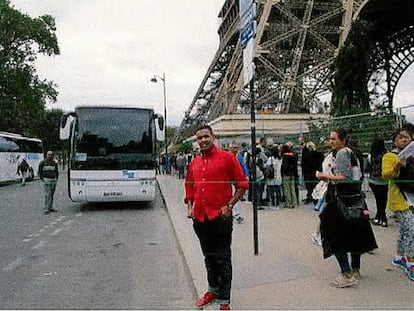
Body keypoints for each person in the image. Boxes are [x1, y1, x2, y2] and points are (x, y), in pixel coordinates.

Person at [184, 125, 249, 310]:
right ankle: (212, 289)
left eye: (206, 136)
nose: (203, 140)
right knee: (209, 257)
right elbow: (189, 187)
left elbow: (243, 183)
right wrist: (190, 206)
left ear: (213, 137)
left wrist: (230, 205)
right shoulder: (194, 162)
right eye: (200, 138)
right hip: (200, 219)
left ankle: (224, 300)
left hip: (220, 218)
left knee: (223, 259)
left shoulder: (228, 158)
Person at [317, 128, 378, 288]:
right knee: (355, 233)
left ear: (342, 140)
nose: (331, 142)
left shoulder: (342, 153)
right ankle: (355, 269)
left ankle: (346, 273)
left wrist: (325, 176)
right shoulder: (352, 152)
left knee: (335, 235)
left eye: (334, 139)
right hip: (354, 199)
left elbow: (346, 177)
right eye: (330, 139)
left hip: (341, 200)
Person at [382, 126, 414, 281]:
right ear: (395, 140)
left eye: (407, 137)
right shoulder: (390, 156)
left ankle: (399, 257)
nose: (404, 139)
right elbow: (386, 175)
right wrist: (398, 164)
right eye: (400, 137)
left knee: (405, 229)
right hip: (399, 198)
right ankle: (411, 262)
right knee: (411, 229)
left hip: (412, 196)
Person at [368, 138, 389, 227]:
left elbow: (368, 167)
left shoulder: (371, 155)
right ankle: (383, 218)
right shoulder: (386, 155)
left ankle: (379, 217)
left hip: (374, 181)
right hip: (384, 181)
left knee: (378, 200)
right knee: (383, 200)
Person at [228, 141, 249, 224]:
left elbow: (244, 166)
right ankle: (235, 214)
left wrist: (246, 176)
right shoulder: (227, 156)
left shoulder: (239, 157)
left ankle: (236, 213)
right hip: (229, 180)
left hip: (238, 181)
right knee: (232, 197)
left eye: (236, 148)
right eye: (233, 148)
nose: (235, 149)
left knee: (236, 197)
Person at [280, 143, 298, 209]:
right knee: (292, 189)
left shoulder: (285, 156)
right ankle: (294, 203)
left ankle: (289, 203)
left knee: (287, 190)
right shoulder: (293, 155)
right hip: (292, 174)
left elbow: (284, 166)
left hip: (286, 174)